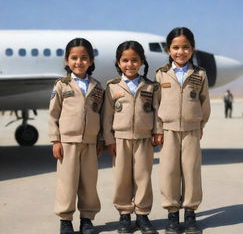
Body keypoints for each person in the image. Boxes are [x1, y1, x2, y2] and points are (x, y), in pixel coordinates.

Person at [155, 27, 211, 234]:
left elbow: (204, 103)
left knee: (191, 172)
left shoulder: (199, 74)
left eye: (185, 47)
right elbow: (156, 104)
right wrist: (158, 129)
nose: (181, 51)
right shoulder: (161, 74)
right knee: (169, 172)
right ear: (169, 50)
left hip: (191, 131)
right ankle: (172, 214)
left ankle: (190, 213)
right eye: (176, 47)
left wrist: (200, 124)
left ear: (192, 49)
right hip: (168, 131)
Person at [103, 41, 162, 234]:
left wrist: (157, 132)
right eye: (125, 60)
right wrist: (109, 140)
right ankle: (124, 216)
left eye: (134, 60)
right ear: (118, 63)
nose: (130, 64)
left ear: (142, 62)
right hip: (120, 140)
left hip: (144, 139)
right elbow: (107, 117)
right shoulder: (112, 87)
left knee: (143, 177)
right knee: (122, 178)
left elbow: (156, 111)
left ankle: (143, 215)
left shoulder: (151, 86)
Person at [48, 38, 104, 234]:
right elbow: (53, 115)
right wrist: (56, 140)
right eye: (74, 58)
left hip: (90, 143)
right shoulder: (62, 85)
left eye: (84, 58)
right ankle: (65, 220)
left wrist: (101, 140)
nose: (78, 62)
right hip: (68, 143)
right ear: (66, 61)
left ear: (90, 61)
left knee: (89, 182)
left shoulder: (97, 87)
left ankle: (87, 219)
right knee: (67, 183)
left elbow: (102, 114)